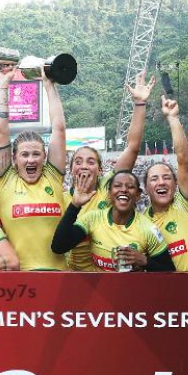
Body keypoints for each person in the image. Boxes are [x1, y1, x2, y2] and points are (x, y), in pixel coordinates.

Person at [63, 71, 150, 271]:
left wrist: (139, 104)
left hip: (107, 276)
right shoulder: (62, 198)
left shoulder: (108, 188)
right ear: (71, 168)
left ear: (100, 169)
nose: (84, 166)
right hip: (73, 277)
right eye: (78, 161)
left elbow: (132, 148)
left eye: (90, 161)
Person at [0, 64, 67, 271]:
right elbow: (1, 132)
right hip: (21, 280)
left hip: (60, 277)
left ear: (45, 157)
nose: (31, 160)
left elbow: (59, 129)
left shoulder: (53, 175)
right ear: (14, 159)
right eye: (24, 155)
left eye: (36, 154)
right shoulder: (5, 180)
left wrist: (49, 85)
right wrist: (3, 85)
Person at [52, 169, 174, 271]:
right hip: (98, 291)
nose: (124, 190)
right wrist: (75, 205)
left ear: (137, 195)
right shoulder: (93, 219)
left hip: (132, 292)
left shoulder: (148, 229)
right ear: (109, 194)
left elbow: (169, 272)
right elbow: (59, 247)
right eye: (117, 186)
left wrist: (145, 261)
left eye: (130, 187)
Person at [143, 96, 188, 272]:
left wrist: (173, 118)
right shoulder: (141, 222)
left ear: (176, 184)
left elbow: (184, 160)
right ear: (146, 188)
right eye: (154, 179)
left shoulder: (187, 204)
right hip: (160, 290)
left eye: (167, 177)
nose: (161, 182)